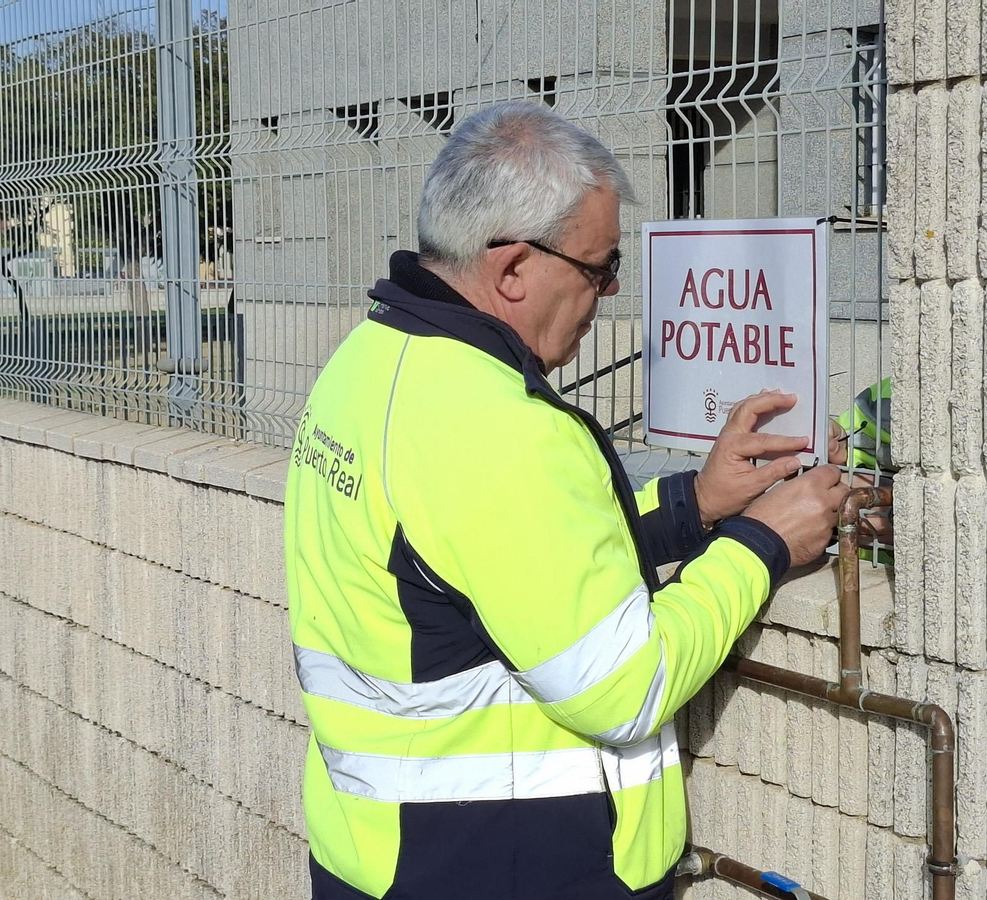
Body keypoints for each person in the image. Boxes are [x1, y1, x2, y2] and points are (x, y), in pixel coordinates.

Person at [284, 102, 848, 900]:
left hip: (377, 855)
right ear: (513, 268)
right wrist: (761, 543)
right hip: (506, 868)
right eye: (598, 268)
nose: (608, 294)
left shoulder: (372, 362)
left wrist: (698, 503)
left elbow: (508, 553)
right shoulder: (497, 426)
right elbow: (627, 685)